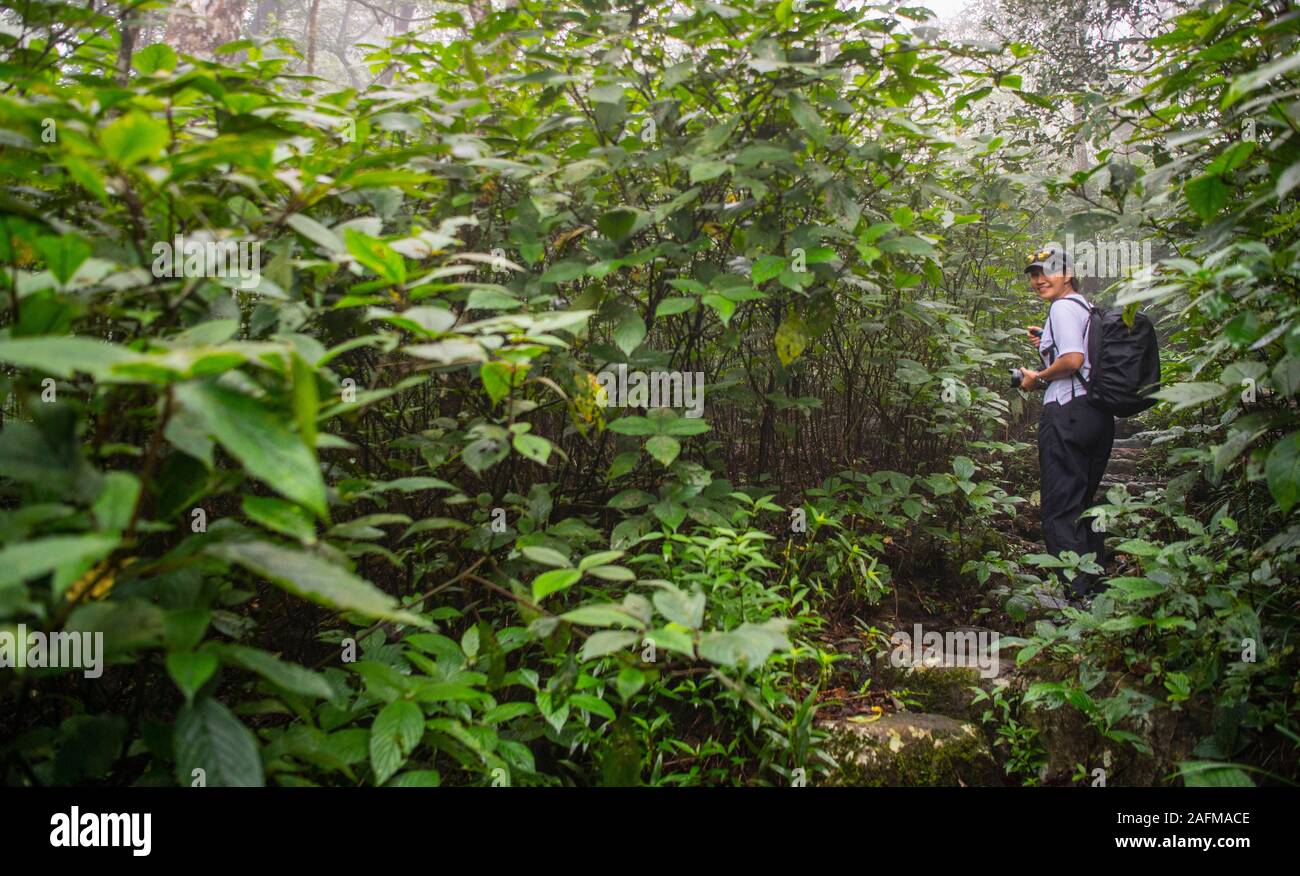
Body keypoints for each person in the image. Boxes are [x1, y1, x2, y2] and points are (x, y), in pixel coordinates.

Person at [1015, 245, 1114, 602]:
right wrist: (1046, 343)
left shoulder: (1060, 307)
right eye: (1034, 274)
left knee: (1059, 510)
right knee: (1081, 504)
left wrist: (1037, 377)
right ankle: (1095, 588)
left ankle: (1075, 597)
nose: (1039, 280)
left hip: (1068, 414)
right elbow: (1082, 357)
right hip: (1096, 416)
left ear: (1068, 273)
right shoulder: (1086, 308)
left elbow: (1072, 360)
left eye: (1047, 272)